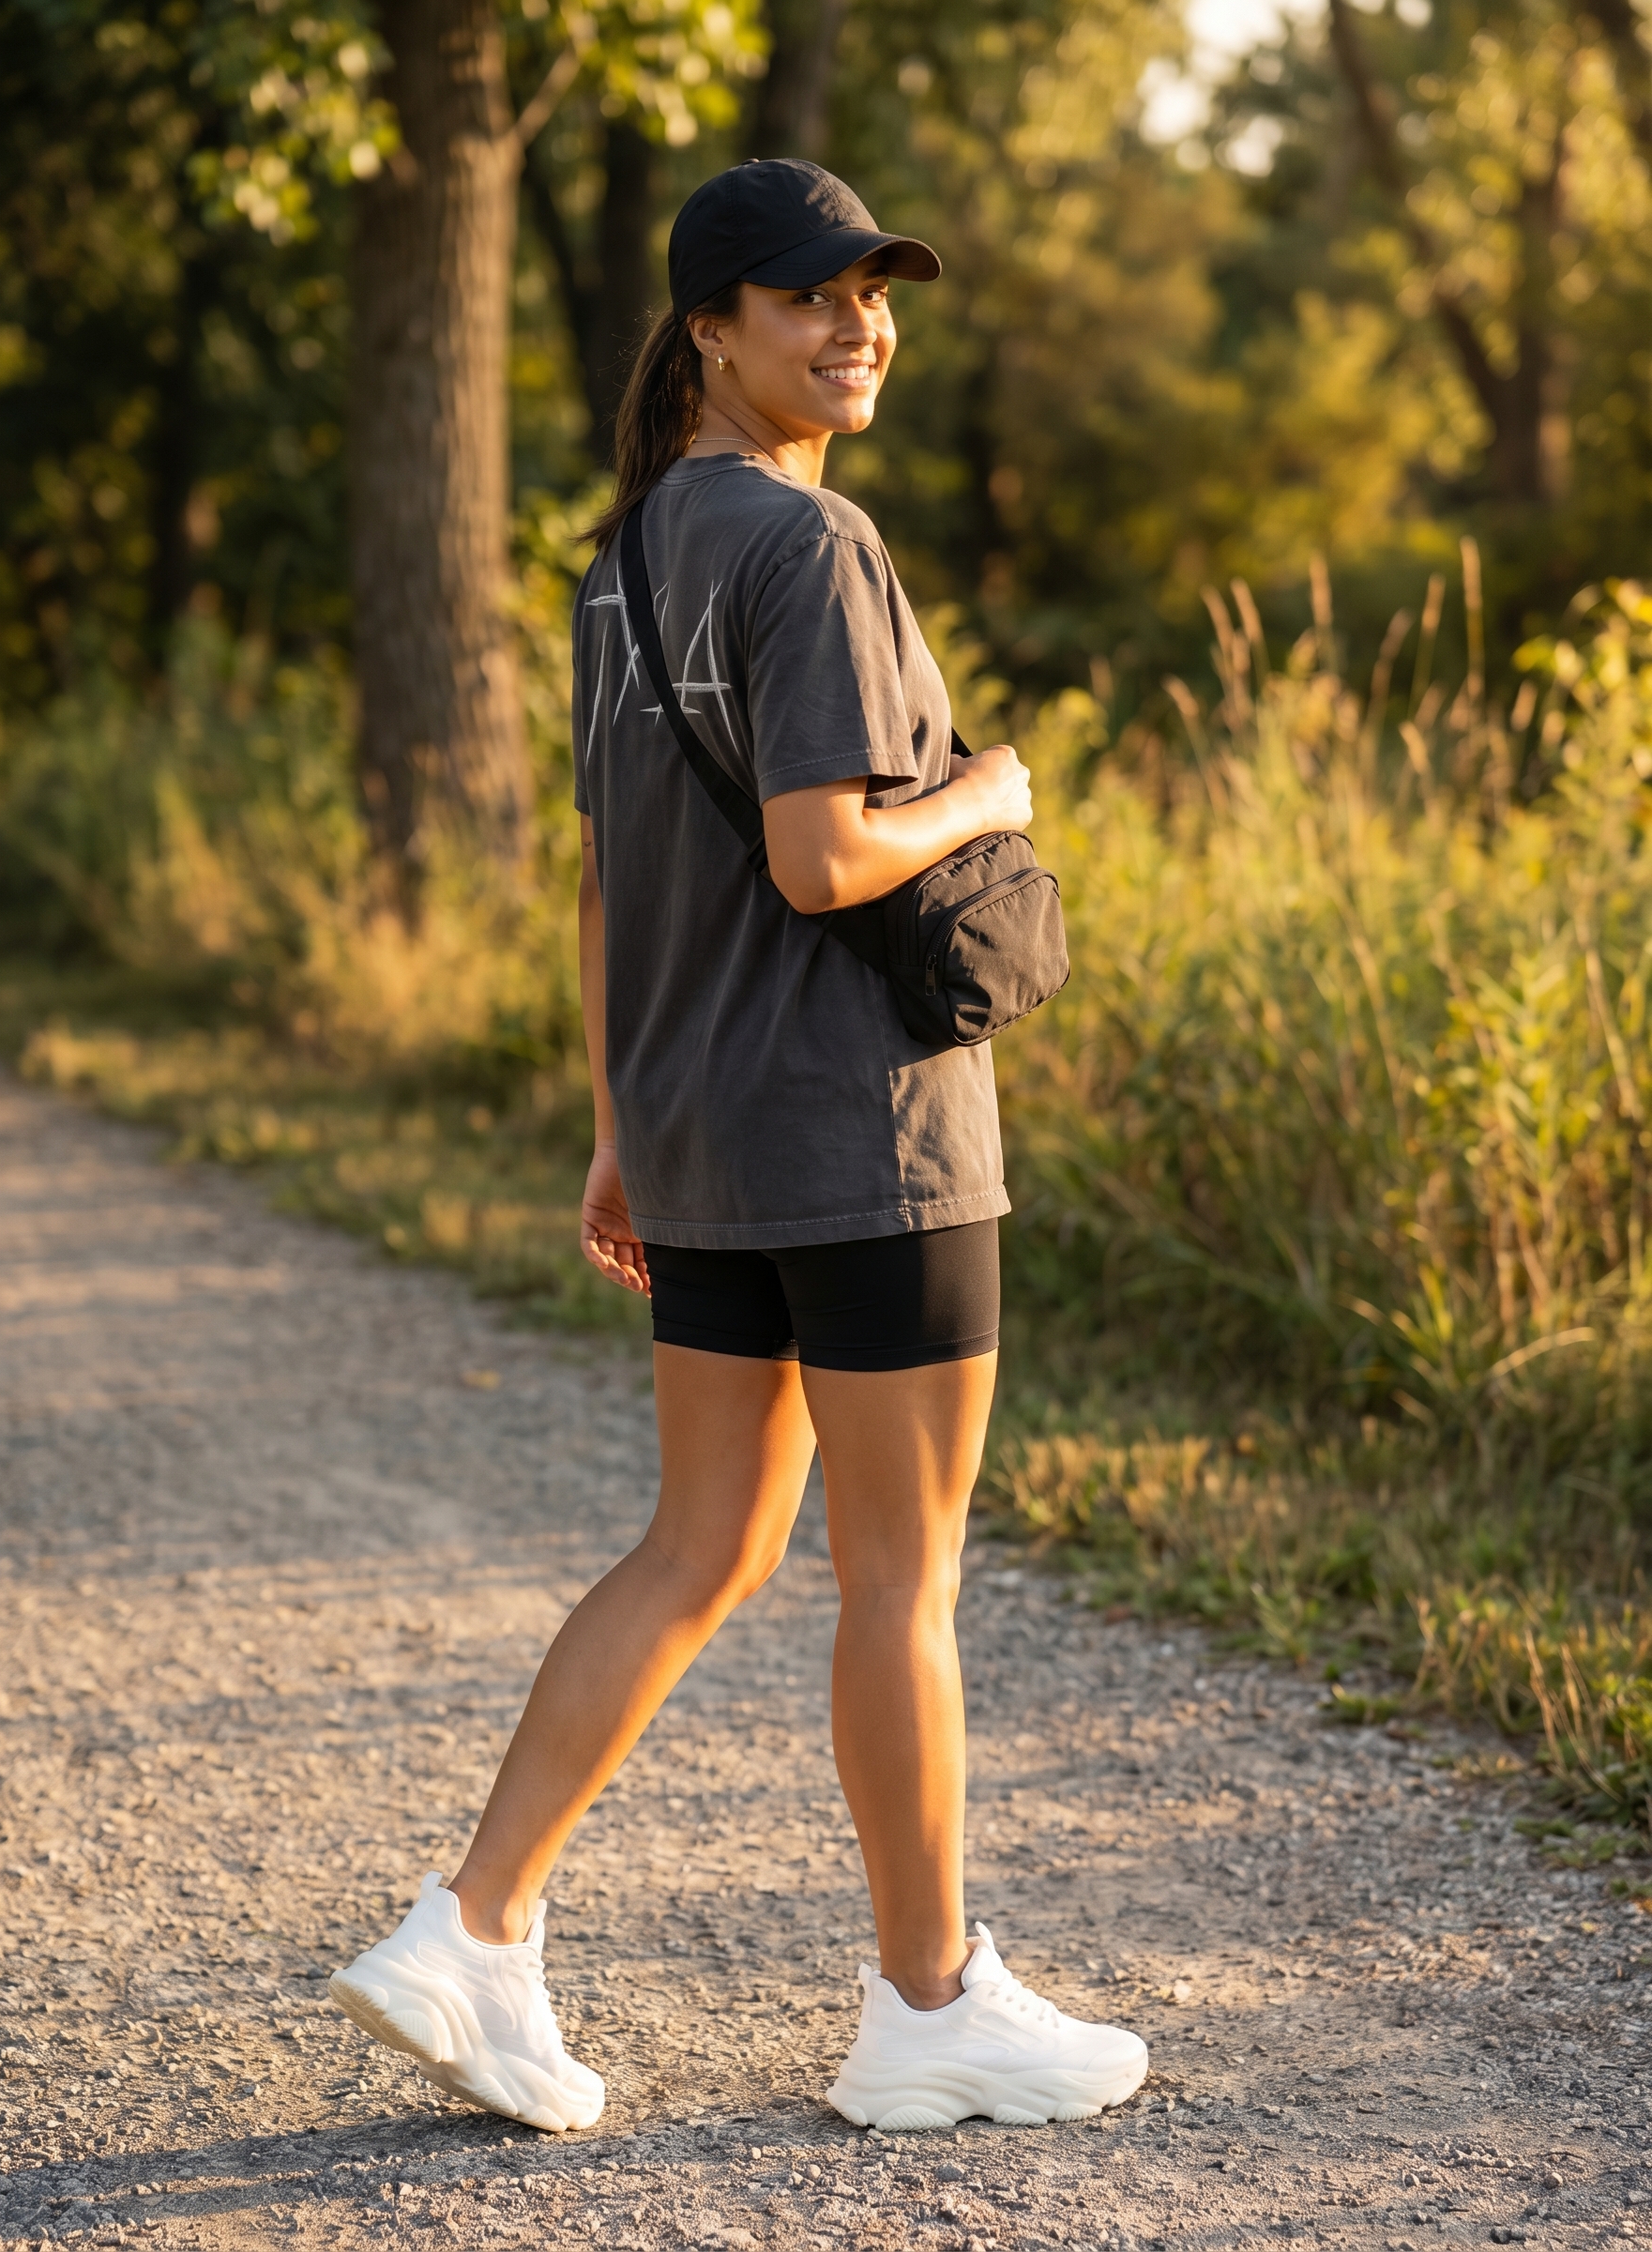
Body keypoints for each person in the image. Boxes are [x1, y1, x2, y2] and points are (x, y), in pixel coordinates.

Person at [330, 159, 1147, 2138]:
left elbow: (612, 881)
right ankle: (928, 2005)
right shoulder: (806, 546)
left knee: (704, 1547)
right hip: (864, 1138)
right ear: (712, 327)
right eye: (810, 299)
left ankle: (473, 1930)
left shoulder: (622, 563)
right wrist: (989, 791)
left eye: (873, 294)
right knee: (900, 1577)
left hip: (698, 1129)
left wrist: (622, 1130)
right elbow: (820, 851)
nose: (856, 325)